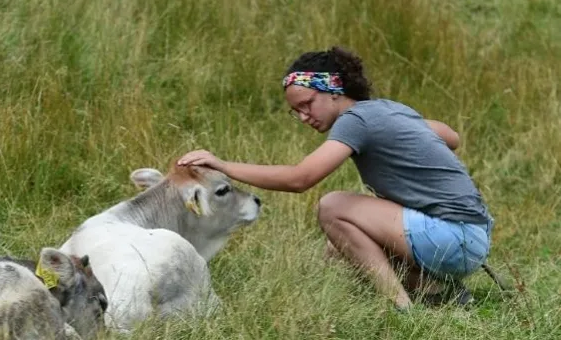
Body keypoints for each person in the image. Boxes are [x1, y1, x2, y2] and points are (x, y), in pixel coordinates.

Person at [176, 46, 495, 311]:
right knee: (337, 249)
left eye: (307, 104)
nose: (303, 117)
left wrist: (224, 166)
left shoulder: (355, 120)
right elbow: (451, 137)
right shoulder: (388, 111)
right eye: (296, 111)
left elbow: (301, 179)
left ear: (333, 90)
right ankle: (436, 289)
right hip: (472, 236)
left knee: (333, 207)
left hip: (454, 238)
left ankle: (400, 307)